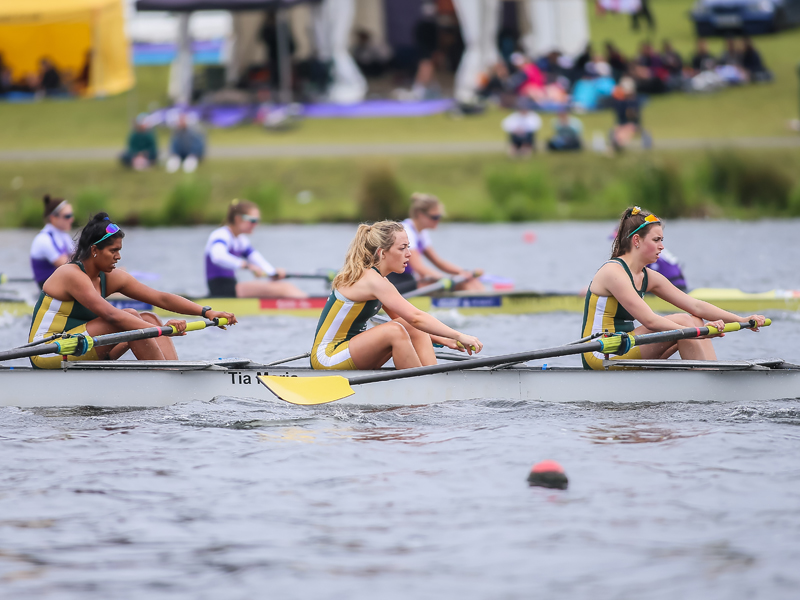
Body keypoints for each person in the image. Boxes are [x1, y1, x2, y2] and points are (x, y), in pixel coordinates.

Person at [28, 213, 236, 369]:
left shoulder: (110, 276)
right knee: (128, 316)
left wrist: (206, 312)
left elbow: (160, 297)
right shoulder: (70, 274)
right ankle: (166, 381)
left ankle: (172, 373)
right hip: (48, 351)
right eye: (113, 251)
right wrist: (164, 331)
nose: (118, 256)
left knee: (150, 318)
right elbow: (111, 315)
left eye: (119, 250)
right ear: (94, 250)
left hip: (81, 345)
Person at [580, 207, 765, 370]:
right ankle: (707, 387)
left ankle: (710, 376)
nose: (662, 246)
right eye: (656, 240)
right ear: (636, 240)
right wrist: (698, 333)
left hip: (626, 344)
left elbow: (696, 306)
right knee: (686, 322)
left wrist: (742, 320)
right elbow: (651, 321)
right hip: (601, 352)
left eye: (662, 239)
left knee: (694, 319)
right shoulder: (613, 272)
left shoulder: (648, 276)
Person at [310, 220, 483, 371]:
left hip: (349, 353)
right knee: (395, 330)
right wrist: (458, 335)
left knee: (405, 325)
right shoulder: (371, 280)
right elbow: (416, 317)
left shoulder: (380, 281)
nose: (408, 253)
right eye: (402, 248)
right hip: (327, 357)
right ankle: (423, 387)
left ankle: (433, 379)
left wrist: (445, 340)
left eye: (409, 247)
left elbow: (411, 323)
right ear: (382, 253)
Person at [205, 199, 307, 299]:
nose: (256, 225)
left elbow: (257, 260)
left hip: (231, 286)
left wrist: (272, 273)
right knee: (284, 288)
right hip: (221, 289)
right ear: (238, 219)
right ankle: (313, 307)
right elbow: (218, 257)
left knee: (284, 286)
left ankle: (309, 304)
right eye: (253, 220)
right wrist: (247, 266)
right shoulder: (220, 235)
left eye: (257, 221)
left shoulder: (241, 240)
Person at [387, 193, 484, 294]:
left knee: (469, 281)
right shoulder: (406, 231)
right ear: (420, 215)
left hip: (407, 278)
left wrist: (464, 272)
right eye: (434, 217)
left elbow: (439, 262)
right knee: (459, 284)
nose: (438, 220)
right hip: (391, 281)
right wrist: (445, 278)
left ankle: (482, 301)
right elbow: (419, 268)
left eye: (439, 216)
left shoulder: (421, 233)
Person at [30, 195, 75, 289]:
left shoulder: (63, 236)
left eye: (71, 215)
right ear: (53, 218)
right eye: (67, 216)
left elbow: (76, 256)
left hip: (62, 285)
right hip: (49, 289)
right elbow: (66, 264)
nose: (72, 219)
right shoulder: (43, 239)